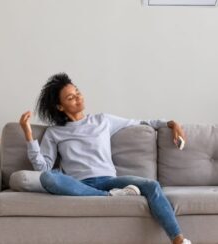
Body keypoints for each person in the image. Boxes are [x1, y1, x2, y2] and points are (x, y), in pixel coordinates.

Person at [19, 73, 191, 244]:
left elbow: (142, 122)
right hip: (79, 185)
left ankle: (178, 240)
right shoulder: (54, 132)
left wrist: (172, 124)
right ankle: (109, 196)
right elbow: (44, 169)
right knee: (48, 178)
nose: (78, 98)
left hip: (110, 180)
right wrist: (28, 135)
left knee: (152, 185)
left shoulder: (103, 120)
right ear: (60, 107)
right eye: (71, 98)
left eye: (78, 92)